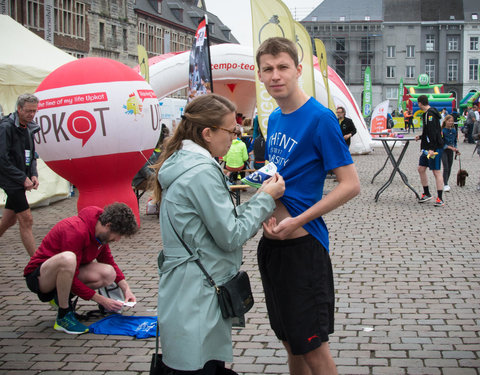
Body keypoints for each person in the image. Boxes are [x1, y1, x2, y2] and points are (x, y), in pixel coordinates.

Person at [152, 93, 285, 374]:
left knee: (194, 361)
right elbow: (230, 234)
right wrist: (265, 198)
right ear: (207, 133)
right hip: (197, 290)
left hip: (186, 287)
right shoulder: (200, 171)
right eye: (231, 130)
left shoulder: (183, 162)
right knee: (199, 365)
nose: (235, 136)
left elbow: (215, 224)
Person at [255, 37, 360, 375]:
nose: (275, 75)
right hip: (272, 249)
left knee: (313, 349)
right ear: (260, 75)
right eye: (268, 69)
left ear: (298, 70)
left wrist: (297, 218)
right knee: (291, 343)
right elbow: (281, 178)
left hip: (304, 250)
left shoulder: (321, 118)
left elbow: (350, 185)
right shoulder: (274, 119)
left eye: (283, 67)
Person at [23, 202, 138, 334]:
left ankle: (59, 298)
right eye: (118, 235)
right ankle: (63, 315)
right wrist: (101, 300)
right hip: (38, 277)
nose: (117, 239)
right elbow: (71, 277)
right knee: (68, 258)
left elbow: (108, 261)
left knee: (108, 273)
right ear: (108, 225)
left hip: (66, 273)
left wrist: (126, 289)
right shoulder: (75, 230)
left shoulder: (100, 232)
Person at [0, 93, 40, 257]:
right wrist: (22, 178)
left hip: (19, 178)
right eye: (28, 111)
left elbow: (30, 154)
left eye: (34, 111)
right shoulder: (6, 128)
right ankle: (37, 262)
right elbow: (2, 159)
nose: (31, 114)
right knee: (26, 219)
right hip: (9, 179)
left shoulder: (29, 127)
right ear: (18, 109)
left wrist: (33, 174)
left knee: (10, 220)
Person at [415, 95, 445, 206]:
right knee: (421, 168)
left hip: (434, 148)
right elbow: (428, 131)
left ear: (420, 103)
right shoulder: (427, 114)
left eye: (418, 103)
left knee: (436, 171)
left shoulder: (430, 114)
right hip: (427, 148)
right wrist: (421, 136)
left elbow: (433, 132)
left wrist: (432, 148)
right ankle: (426, 193)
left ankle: (440, 198)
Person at [441, 115, 460, 192]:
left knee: (449, 167)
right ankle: (445, 184)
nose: (450, 122)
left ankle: (446, 181)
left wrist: (455, 148)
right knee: (445, 167)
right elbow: (441, 143)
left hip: (451, 151)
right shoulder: (442, 131)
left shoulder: (454, 130)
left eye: (452, 121)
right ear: (445, 121)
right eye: (449, 121)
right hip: (443, 150)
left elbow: (454, 141)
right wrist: (450, 147)